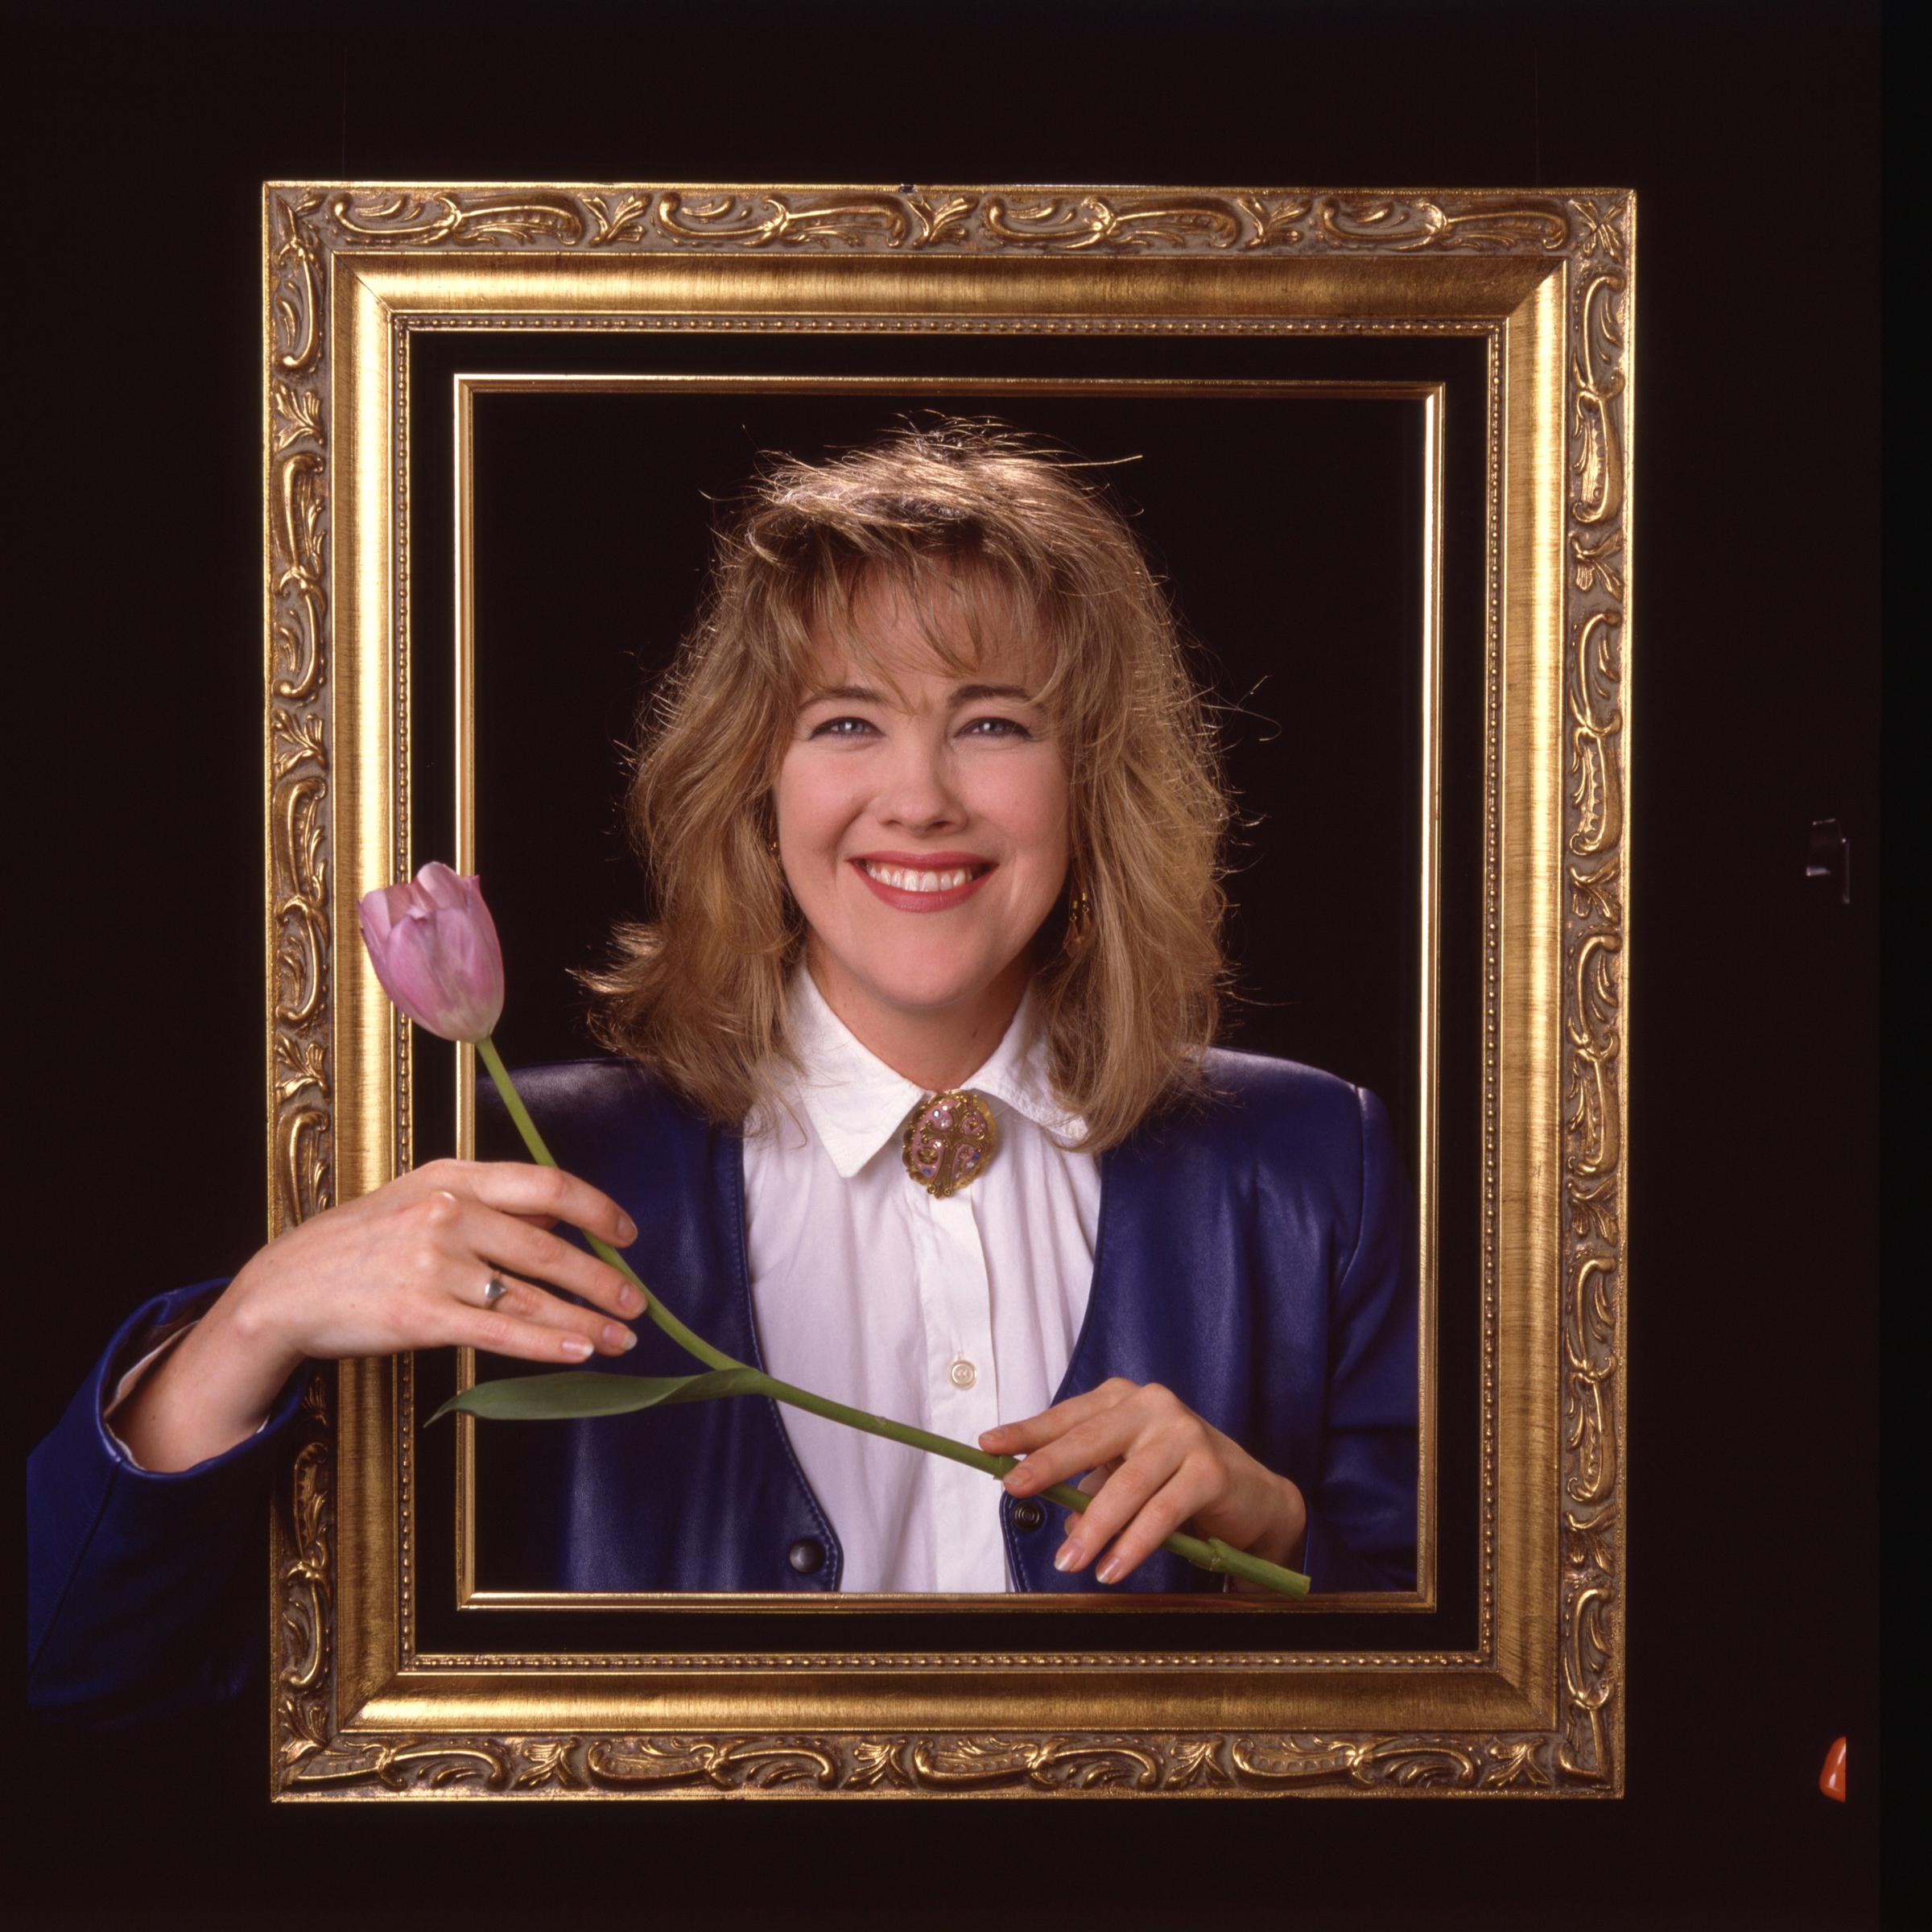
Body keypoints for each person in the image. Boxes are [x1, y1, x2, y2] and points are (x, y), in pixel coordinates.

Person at [28, 420, 1417, 1724]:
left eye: (996, 723)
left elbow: (1529, 1684)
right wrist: (253, 1319)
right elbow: (80, 1669)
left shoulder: (1312, 1159)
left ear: (1094, 778)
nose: (920, 795)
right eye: (847, 722)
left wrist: (1277, 1523)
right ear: (754, 782)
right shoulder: (515, 1182)